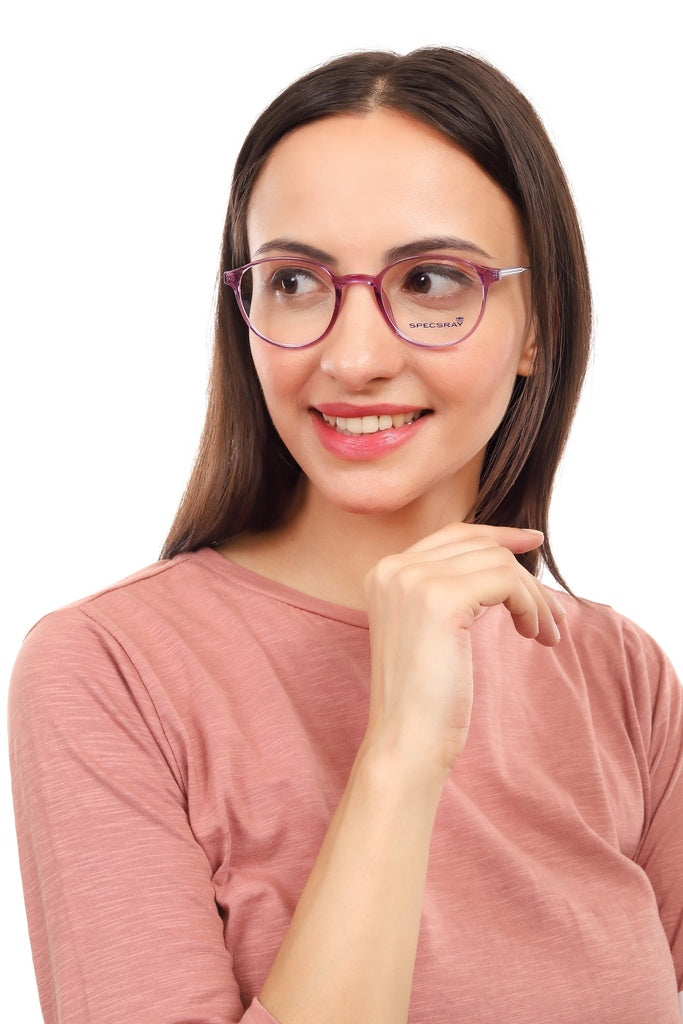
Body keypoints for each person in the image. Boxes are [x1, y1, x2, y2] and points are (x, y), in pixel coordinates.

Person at [8, 47, 683, 1024]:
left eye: (430, 280)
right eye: (294, 282)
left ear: (536, 325)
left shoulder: (618, 676)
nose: (354, 356)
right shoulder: (109, 670)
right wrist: (400, 752)